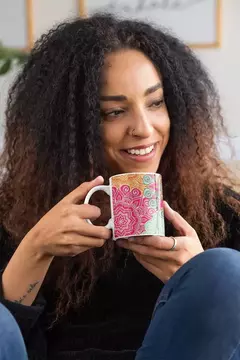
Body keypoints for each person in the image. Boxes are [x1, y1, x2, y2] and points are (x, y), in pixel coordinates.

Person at [0, 13, 239, 360]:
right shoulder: (12, 215)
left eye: (156, 103)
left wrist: (200, 282)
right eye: (114, 112)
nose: (143, 128)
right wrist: (34, 250)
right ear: (67, 128)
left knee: (224, 272)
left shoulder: (222, 215)